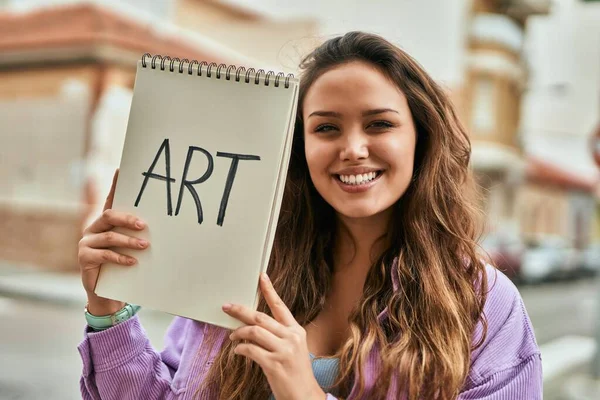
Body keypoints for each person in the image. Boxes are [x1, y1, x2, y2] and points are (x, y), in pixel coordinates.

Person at [77, 31, 542, 400]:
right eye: (326, 128)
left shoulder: (480, 304)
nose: (353, 149)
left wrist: (305, 393)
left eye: (379, 124)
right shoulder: (240, 273)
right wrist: (108, 313)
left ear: (420, 137)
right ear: (300, 146)